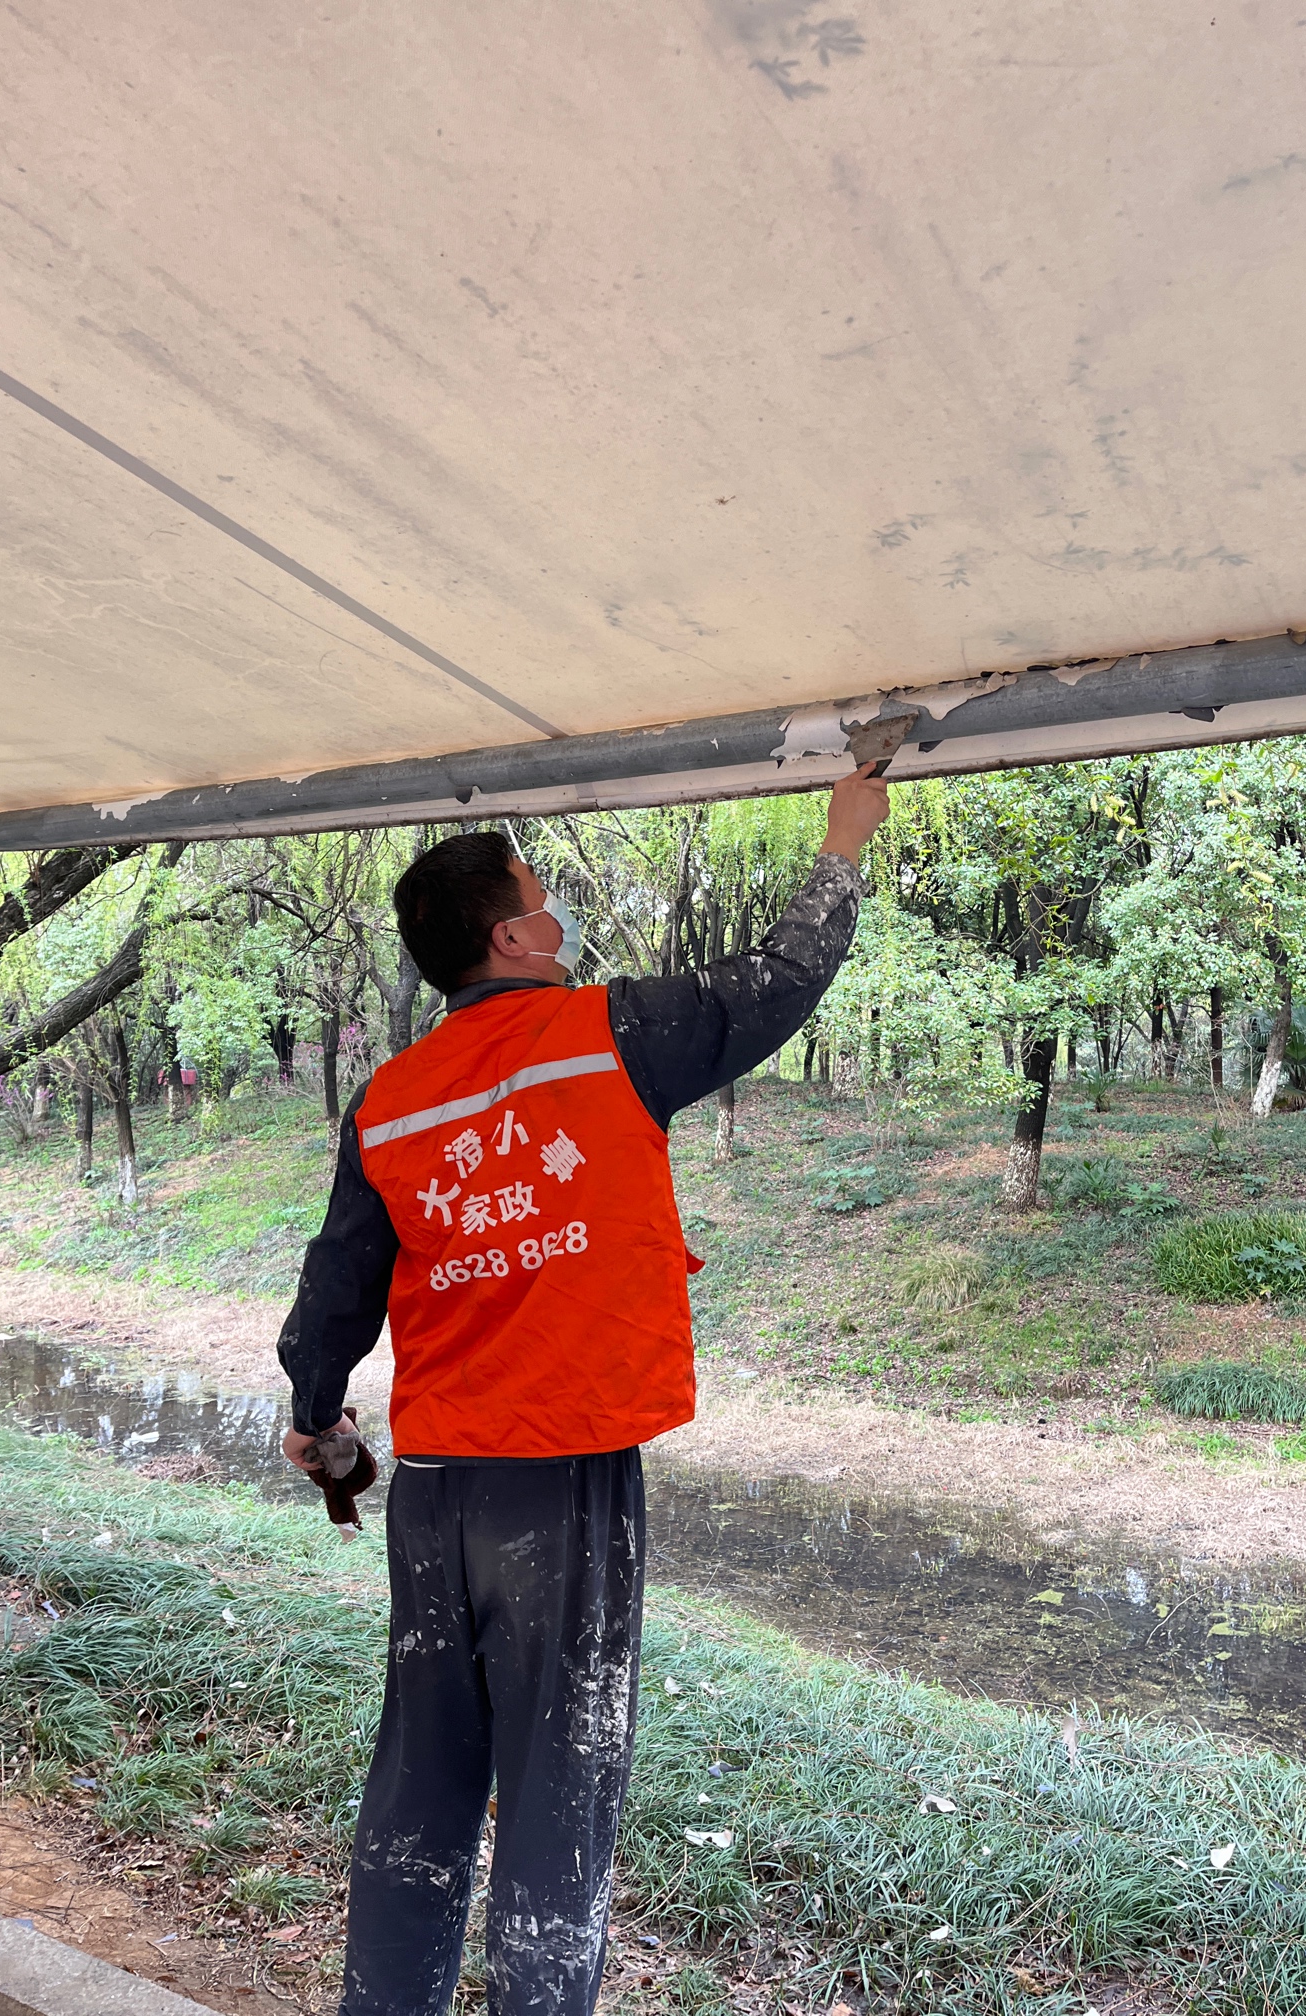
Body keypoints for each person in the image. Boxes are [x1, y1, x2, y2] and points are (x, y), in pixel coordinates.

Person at [277, 765, 889, 2016]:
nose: (557, 921)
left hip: (434, 1492)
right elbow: (777, 981)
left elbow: (337, 1282)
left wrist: (315, 1414)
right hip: (561, 1483)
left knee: (423, 1769)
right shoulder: (613, 1032)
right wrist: (843, 840)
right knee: (561, 1779)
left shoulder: (390, 1100)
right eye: (543, 903)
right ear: (511, 938)